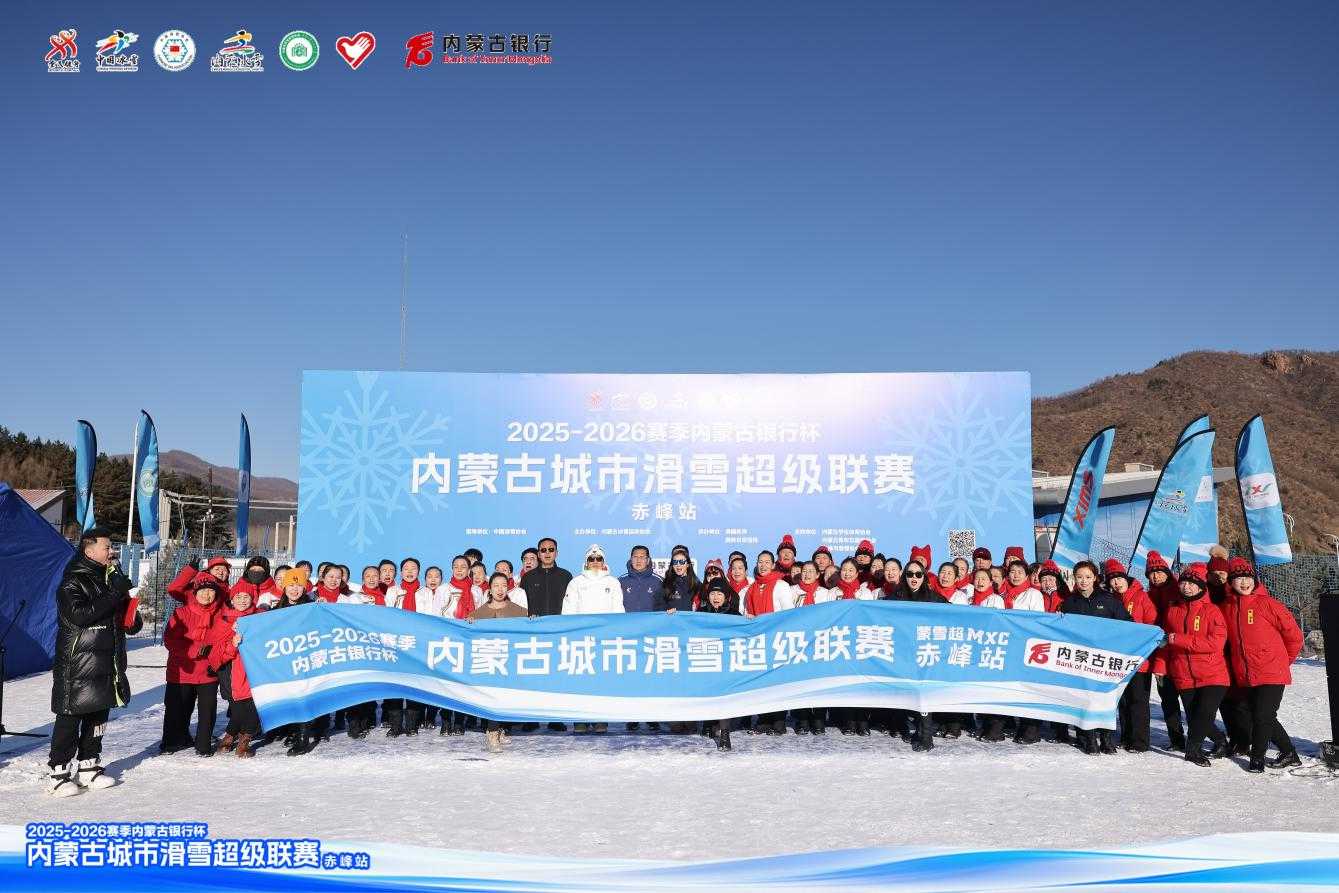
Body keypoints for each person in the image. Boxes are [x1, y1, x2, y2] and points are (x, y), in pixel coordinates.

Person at [47, 527, 143, 796]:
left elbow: (126, 620)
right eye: (106, 547)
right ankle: (58, 772)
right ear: (89, 551)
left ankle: (89, 765)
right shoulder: (72, 582)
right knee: (71, 715)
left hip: (108, 660)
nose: (111, 551)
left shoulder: (110, 578)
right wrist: (114, 593)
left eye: (111, 547)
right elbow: (80, 615)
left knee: (99, 713)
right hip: (79, 663)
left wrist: (131, 616)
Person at [1221, 558, 1304, 772]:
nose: (1244, 582)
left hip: (1272, 671)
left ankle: (1257, 759)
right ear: (1231, 582)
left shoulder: (1269, 604)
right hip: (1246, 674)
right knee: (1263, 715)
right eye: (1239, 578)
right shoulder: (1227, 607)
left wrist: (1282, 662)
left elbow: (1295, 638)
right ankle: (1289, 752)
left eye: (1247, 577)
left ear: (1254, 580)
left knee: (1262, 716)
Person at [1161, 562, 1230, 767]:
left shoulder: (1212, 611)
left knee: (1204, 713)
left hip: (1213, 673)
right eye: (1184, 583)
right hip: (1183, 673)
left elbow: (1216, 643)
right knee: (1194, 716)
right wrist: (1160, 666)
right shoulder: (1172, 610)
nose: (1187, 587)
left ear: (1201, 587)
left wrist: (1179, 639)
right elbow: (1164, 642)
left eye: (1192, 584)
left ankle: (1192, 750)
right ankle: (1220, 741)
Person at [1059, 561, 1131, 754]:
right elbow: (1062, 631)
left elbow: (1127, 623)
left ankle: (1106, 738)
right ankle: (1088, 738)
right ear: (1074, 578)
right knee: (1084, 699)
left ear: (1095, 578)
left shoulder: (1108, 600)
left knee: (1105, 699)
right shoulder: (1069, 603)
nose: (1083, 581)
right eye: (1079, 577)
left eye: (1088, 577)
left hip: (1104, 659)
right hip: (1080, 660)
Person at [561, 545, 623, 733]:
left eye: (599, 559)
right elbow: (568, 610)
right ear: (586, 562)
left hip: (605, 639)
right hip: (581, 639)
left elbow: (618, 610)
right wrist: (571, 634)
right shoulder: (576, 582)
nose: (595, 562)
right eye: (591, 559)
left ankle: (600, 718)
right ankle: (580, 719)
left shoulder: (613, 582)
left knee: (602, 680)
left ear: (604, 562)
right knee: (580, 680)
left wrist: (615, 634)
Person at [162, 572, 223, 757]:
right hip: (181, 670)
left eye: (211, 591)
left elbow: (224, 640)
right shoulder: (181, 613)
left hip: (208, 671)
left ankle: (203, 745)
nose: (206, 594)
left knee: (207, 710)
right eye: (202, 590)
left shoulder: (222, 614)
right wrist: (195, 650)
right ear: (194, 593)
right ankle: (172, 742)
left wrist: (216, 658)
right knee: (177, 708)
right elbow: (170, 640)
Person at [467, 572, 529, 753]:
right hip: (489, 661)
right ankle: (492, 732)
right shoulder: (480, 613)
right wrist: (469, 622)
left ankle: (501, 728)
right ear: (490, 589)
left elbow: (529, 629)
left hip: (509, 660)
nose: (500, 589)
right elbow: (467, 633)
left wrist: (532, 621)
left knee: (506, 697)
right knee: (492, 696)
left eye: (503, 585)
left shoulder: (518, 610)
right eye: (496, 585)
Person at [889, 557, 943, 749]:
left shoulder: (933, 597)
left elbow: (953, 615)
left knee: (924, 693)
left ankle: (926, 736)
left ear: (924, 577)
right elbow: (878, 613)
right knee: (903, 692)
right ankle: (904, 727)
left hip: (925, 652)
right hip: (902, 653)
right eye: (910, 574)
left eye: (918, 574)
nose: (914, 577)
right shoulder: (896, 596)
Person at [1105, 559, 1158, 753]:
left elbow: (1152, 624)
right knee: (1123, 700)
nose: (1116, 582)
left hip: (1140, 659)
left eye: (1119, 578)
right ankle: (1126, 736)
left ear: (1126, 578)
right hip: (1120, 660)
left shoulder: (1142, 597)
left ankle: (1140, 741)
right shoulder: (1111, 600)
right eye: (1112, 580)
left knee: (1138, 701)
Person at [742, 550, 795, 734]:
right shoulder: (751, 587)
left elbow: (789, 614)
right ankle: (763, 718)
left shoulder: (781, 585)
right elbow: (746, 612)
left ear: (773, 565)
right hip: (758, 641)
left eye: (767, 562)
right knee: (761, 682)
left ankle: (779, 720)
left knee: (778, 681)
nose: (763, 565)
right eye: (760, 562)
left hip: (777, 640)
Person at [208, 583, 261, 757]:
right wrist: (232, 641)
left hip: (255, 670)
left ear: (253, 599)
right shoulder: (223, 621)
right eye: (238, 597)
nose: (242, 600)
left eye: (246, 597)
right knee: (238, 708)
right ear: (232, 600)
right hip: (231, 672)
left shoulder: (261, 617)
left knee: (254, 706)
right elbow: (216, 655)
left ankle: (245, 740)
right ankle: (230, 734)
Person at [1144, 550, 1186, 751]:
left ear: (1167, 572)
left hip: (1180, 653)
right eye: (1152, 573)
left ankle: (1207, 737)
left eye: (1160, 572)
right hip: (1160, 654)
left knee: (1191, 699)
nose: (1156, 576)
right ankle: (1176, 739)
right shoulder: (1148, 596)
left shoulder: (1179, 591)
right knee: (1168, 699)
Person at [619, 545, 663, 731]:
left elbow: (663, 608)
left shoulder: (658, 582)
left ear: (648, 560)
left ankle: (652, 715)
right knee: (632, 678)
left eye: (642, 557)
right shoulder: (620, 581)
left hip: (651, 637)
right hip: (628, 638)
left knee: (651, 677)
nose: (638, 560)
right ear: (630, 559)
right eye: (635, 557)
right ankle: (632, 716)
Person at [697, 575, 743, 749]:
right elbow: (685, 627)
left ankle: (725, 734)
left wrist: (750, 621)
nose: (715, 597)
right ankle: (708, 723)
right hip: (707, 661)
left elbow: (746, 631)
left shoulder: (734, 614)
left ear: (726, 596)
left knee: (724, 697)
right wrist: (673, 616)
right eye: (712, 594)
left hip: (726, 664)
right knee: (708, 693)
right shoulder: (700, 613)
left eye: (719, 594)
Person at [790, 560, 834, 735]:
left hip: (820, 642)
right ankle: (802, 719)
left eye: (811, 571)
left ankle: (819, 719)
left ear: (817, 574)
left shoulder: (825, 593)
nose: (807, 574)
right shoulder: (792, 591)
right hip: (798, 643)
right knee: (799, 682)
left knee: (819, 682)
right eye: (804, 571)